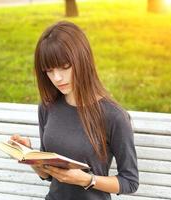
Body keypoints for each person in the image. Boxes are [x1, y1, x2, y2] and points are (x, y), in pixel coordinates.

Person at [10, 20, 139, 200]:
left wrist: (87, 180)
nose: (57, 78)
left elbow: (130, 182)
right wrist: (29, 156)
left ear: (82, 59)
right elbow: (47, 175)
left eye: (65, 67)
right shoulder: (47, 106)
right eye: (49, 70)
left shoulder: (114, 116)